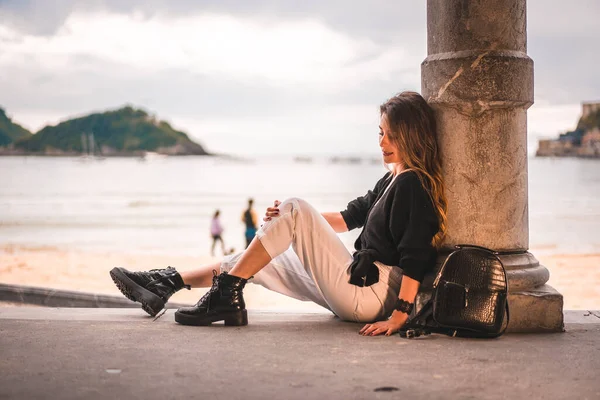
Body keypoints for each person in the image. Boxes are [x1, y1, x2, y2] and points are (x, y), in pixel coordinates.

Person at [109, 91, 447, 337]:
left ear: (412, 136)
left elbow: (414, 256)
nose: (382, 142)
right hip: (356, 283)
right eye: (380, 133)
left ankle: (222, 295)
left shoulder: (413, 185)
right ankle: (166, 283)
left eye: (391, 135)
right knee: (257, 258)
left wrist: (400, 317)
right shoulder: (392, 178)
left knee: (294, 208)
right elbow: (347, 218)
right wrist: (289, 223)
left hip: (371, 293)